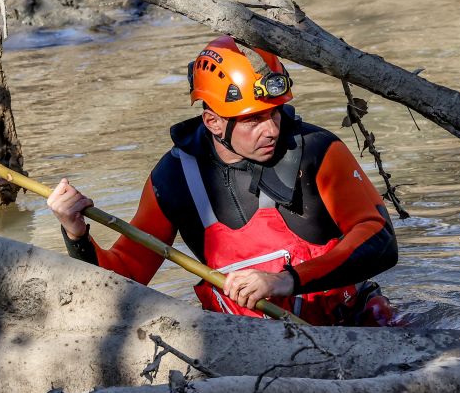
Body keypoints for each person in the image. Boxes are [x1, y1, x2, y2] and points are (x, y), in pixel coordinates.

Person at [47, 36, 401, 326]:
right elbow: (121, 281)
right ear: (213, 122)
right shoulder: (173, 178)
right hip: (242, 341)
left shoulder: (317, 151)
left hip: (347, 328)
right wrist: (77, 233)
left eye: (275, 112)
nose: (272, 130)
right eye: (253, 120)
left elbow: (380, 240)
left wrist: (285, 280)